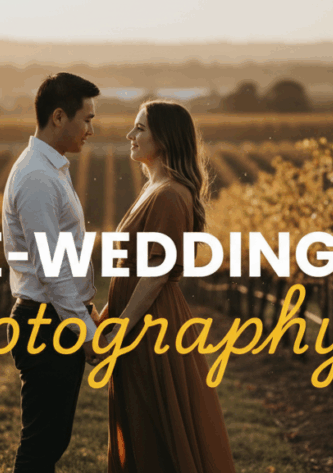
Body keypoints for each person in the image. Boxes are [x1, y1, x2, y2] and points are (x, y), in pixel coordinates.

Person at [97, 101, 236, 472]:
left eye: (140, 128)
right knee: (140, 418)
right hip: (138, 316)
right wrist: (106, 321)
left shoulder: (171, 194)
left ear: (165, 138)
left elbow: (157, 271)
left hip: (151, 322)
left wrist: (121, 328)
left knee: (155, 423)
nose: (131, 135)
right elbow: (135, 269)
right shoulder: (154, 188)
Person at [1, 72, 109, 473]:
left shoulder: (49, 170)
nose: (91, 130)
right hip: (45, 325)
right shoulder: (37, 178)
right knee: (41, 445)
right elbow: (53, 268)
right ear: (59, 117)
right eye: (87, 119)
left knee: (51, 440)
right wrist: (85, 333)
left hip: (52, 320)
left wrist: (86, 309)